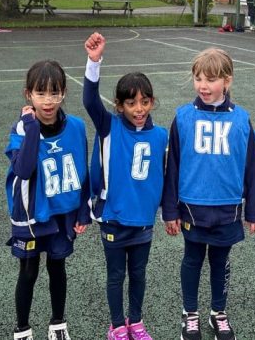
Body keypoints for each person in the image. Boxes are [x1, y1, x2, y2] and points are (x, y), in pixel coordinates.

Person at [161, 47, 255, 340]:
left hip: (228, 209)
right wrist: (170, 211)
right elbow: (173, 167)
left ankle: (218, 312)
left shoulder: (241, 120)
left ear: (227, 81)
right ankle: (189, 314)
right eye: (198, 79)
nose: (203, 86)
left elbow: (250, 168)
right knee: (192, 259)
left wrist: (254, 211)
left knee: (220, 261)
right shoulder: (183, 117)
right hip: (192, 207)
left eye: (210, 80)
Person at [82, 32, 167, 340]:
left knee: (140, 275)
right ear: (119, 105)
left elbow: (165, 177)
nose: (139, 108)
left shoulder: (160, 136)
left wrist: (166, 211)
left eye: (144, 102)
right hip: (114, 217)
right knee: (117, 274)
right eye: (131, 103)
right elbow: (89, 100)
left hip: (142, 219)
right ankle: (117, 325)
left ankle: (137, 322)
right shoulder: (109, 127)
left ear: (152, 101)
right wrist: (94, 62)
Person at [6, 59, 91, 340]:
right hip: (31, 213)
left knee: (58, 266)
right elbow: (23, 168)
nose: (48, 100)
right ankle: (22, 329)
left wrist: (82, 212)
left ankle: (58, 324)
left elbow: (83, 170)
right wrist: (31, 128)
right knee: (28, 271)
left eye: (54, 93)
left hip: (62, 212)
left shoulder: (76, 127)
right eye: (41, 93)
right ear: (28, 94)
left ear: (64, 93)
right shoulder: (22, 128)